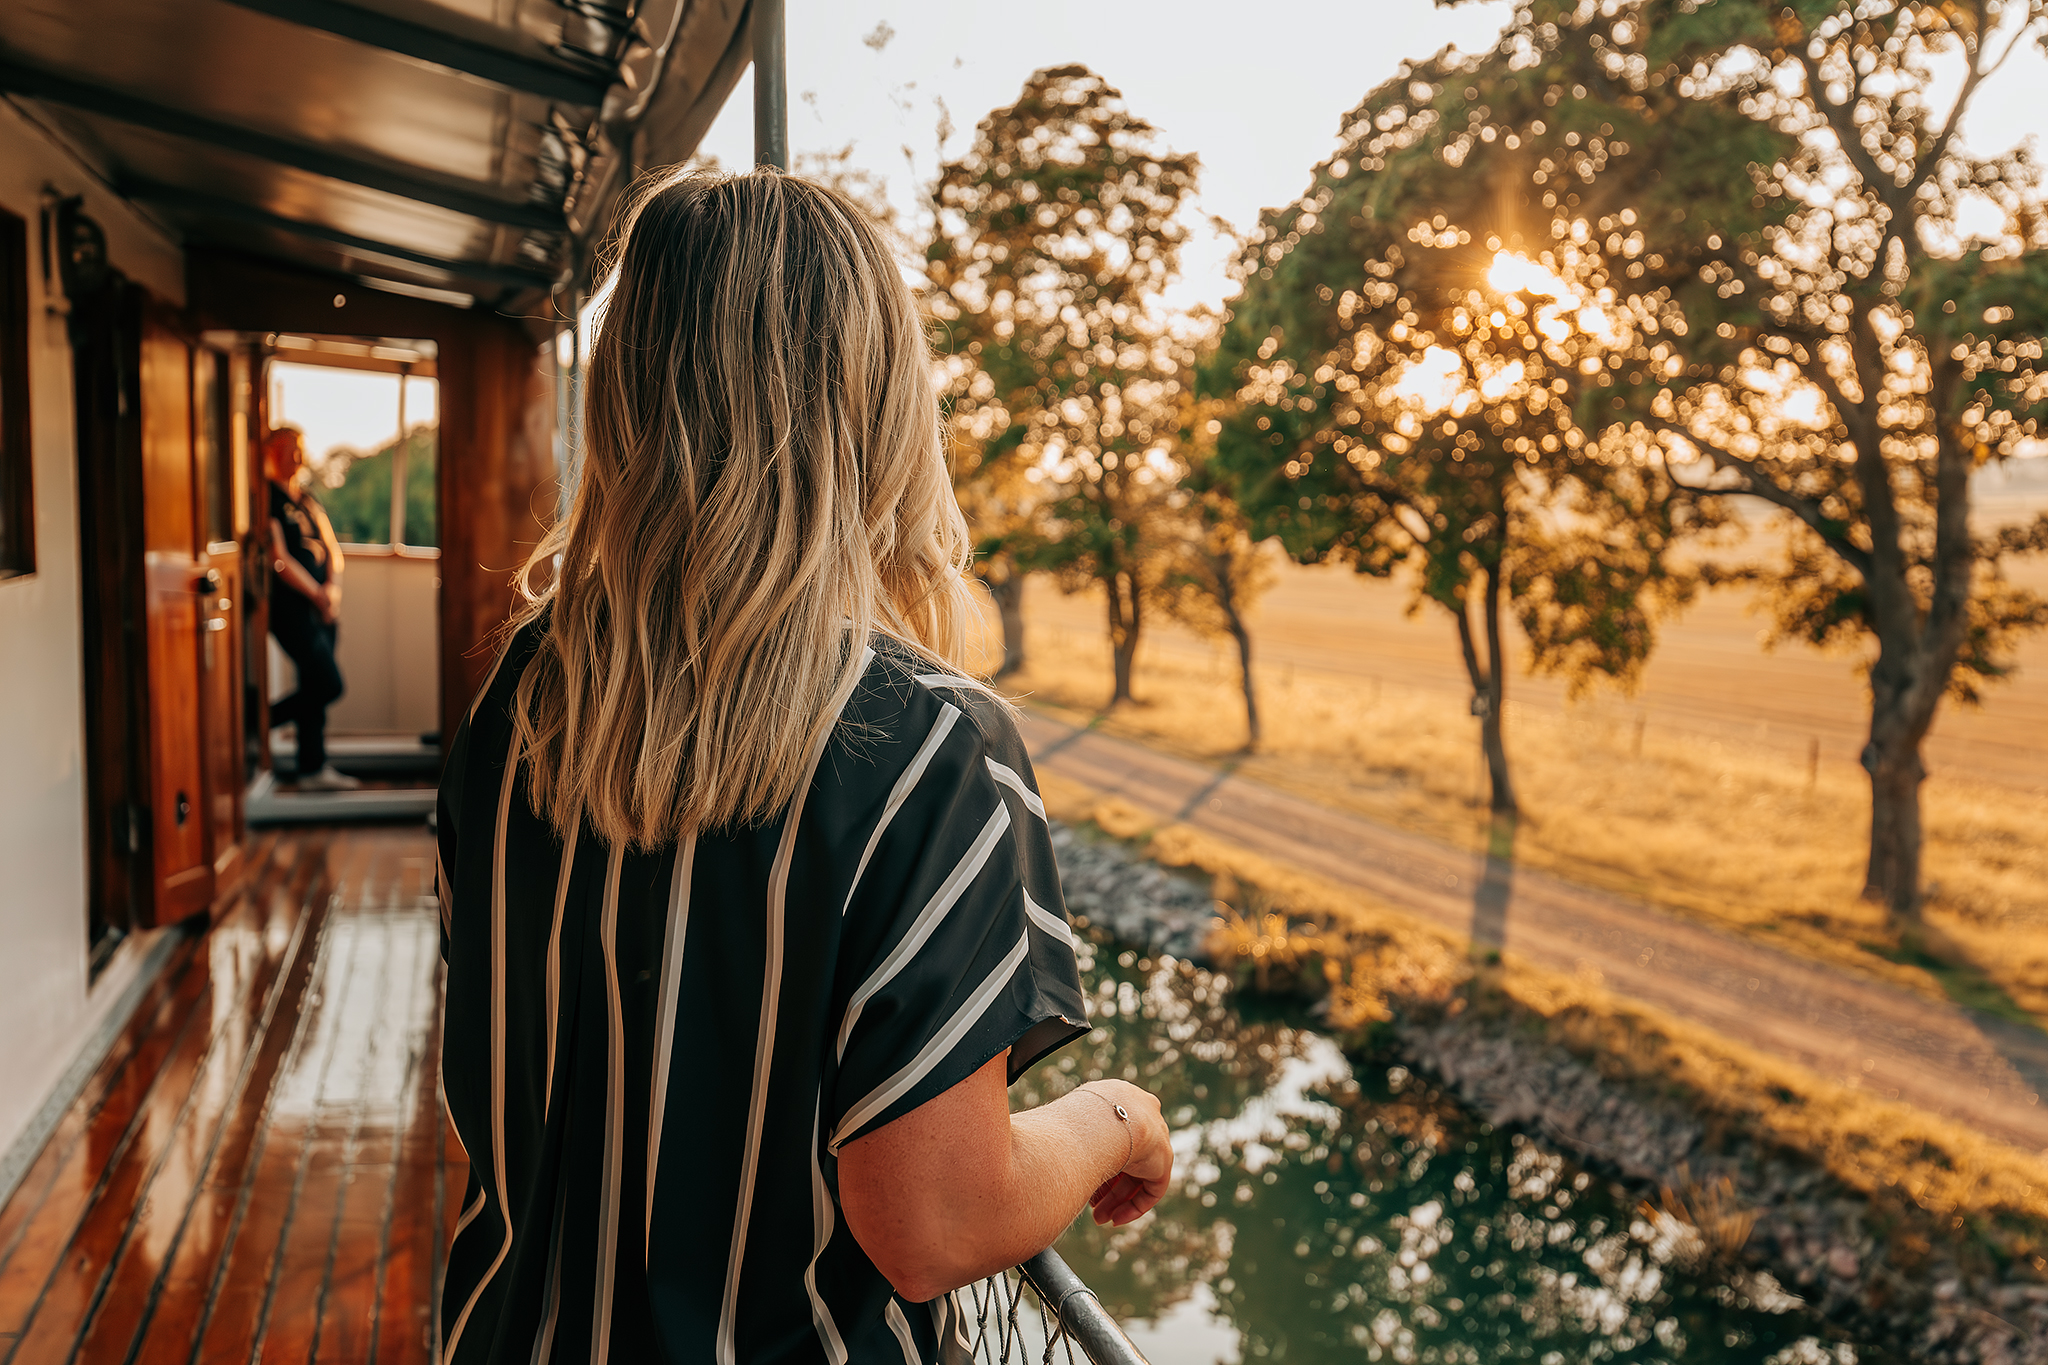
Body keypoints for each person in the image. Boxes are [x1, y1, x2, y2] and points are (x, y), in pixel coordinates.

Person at [433, 170, 1173, 1365]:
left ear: (628, 396)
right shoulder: (930, 747)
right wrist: (1115, 1117)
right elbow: (935, 1223)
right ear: (877, 402)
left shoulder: (525, 694)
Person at [264, 426, 360, 791]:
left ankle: (312, 768)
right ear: (272, 451)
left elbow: (332, 549)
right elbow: (279, 557)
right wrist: (316, 596)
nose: (297, 456)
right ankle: (257, 725)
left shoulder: (306, 498)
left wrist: (330, 594)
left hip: (322, 608)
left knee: (313, 685)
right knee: (328, 684)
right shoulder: (268, 498)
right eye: (289, 448)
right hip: (292, 608)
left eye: (300, 449)